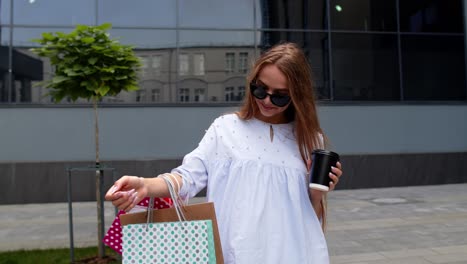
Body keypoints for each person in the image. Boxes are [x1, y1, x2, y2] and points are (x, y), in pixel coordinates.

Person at [105, 42, 343, 264]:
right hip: (236, 253)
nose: (267, 100)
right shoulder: (225, 128)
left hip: (294, 254)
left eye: (279, 95)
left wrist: (316, 193)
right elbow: (187, 177)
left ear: (297, 96)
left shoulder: (310, 140)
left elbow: (307, 216)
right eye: (260, 89)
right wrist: (145, 186)